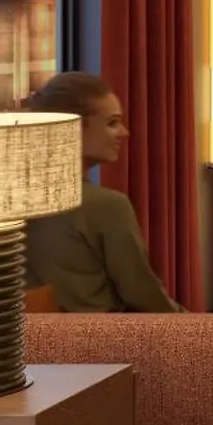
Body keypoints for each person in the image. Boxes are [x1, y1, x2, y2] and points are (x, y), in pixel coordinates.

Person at [22, 72, 183, 312]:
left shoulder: (15, 199)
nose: (124, 132)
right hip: (102, 334)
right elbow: (146, 298)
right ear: (73, 129)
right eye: (112, 123)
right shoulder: (107, 206)